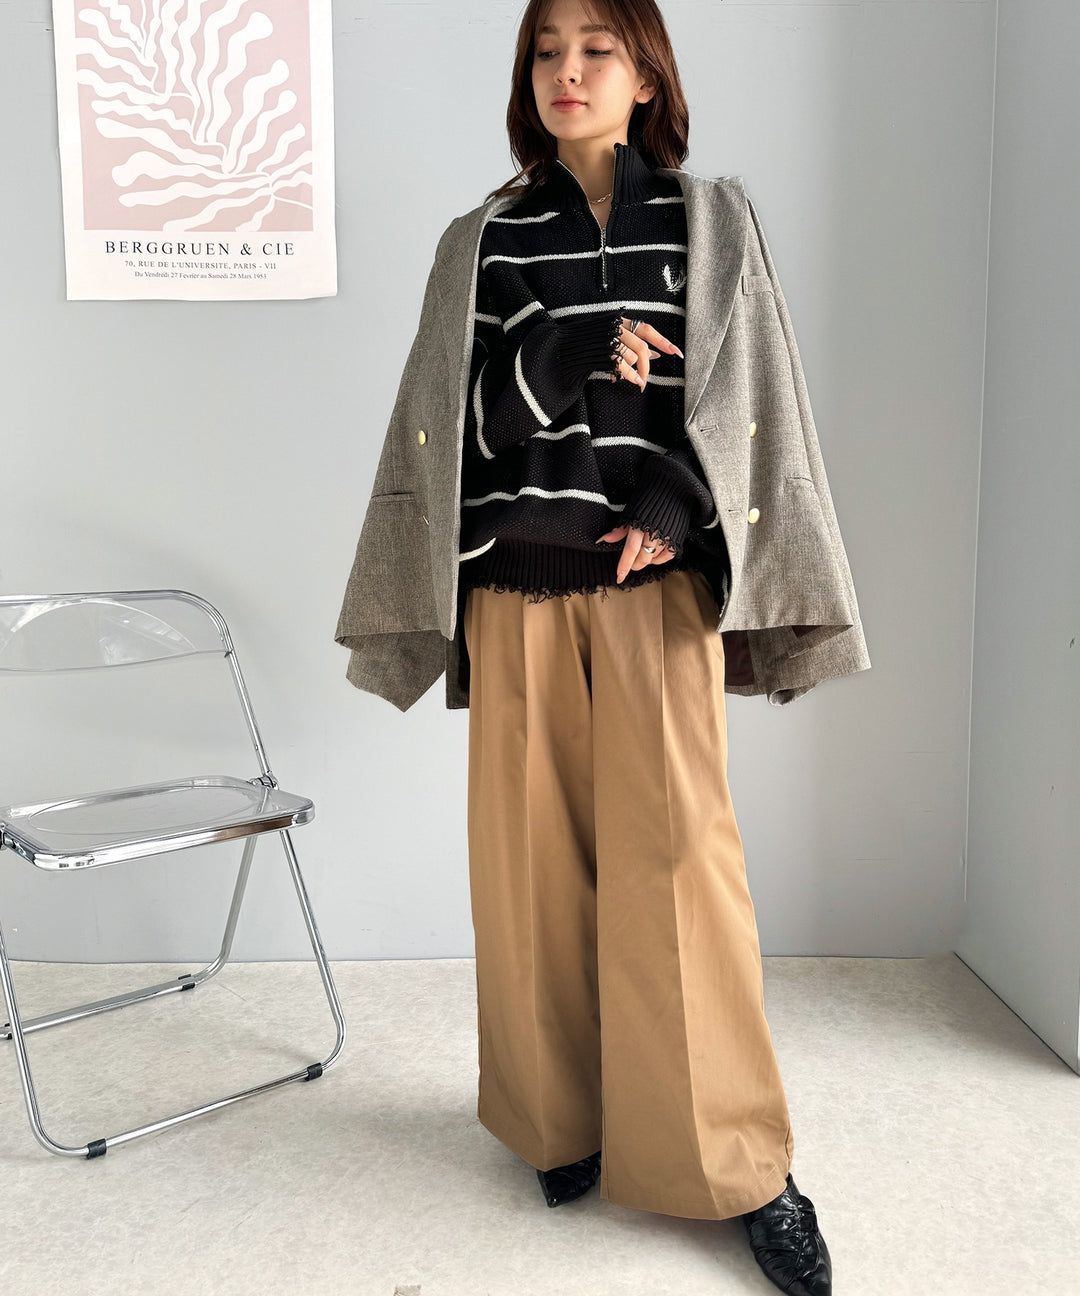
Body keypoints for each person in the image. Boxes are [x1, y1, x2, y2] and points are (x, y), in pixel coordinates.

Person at [337, 1, 867, 1291]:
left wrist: (676, 506)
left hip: (654, 593)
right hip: (515, 587)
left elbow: (740, 400)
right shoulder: (484, 238)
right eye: (545, 50)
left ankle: (738, 1164)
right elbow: (461, 431)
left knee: (683, 868)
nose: (566, 71)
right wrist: (563, 352)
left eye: (596, 49)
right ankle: (558, 1124)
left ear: (646, 74)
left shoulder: (708, 221)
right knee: (529, 873)